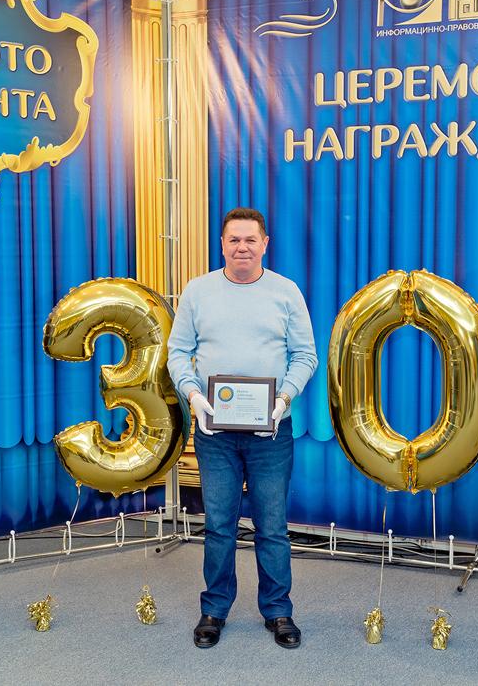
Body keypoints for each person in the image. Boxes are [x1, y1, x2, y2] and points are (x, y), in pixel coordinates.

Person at [167, 207, 317, 649]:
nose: (242, 247)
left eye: (251, 239)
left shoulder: (286, 292)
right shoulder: (198, 291)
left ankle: (278, 610)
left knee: (272, 526)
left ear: (265, 244)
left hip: (272, 433)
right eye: (234, 239)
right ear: (222, 245)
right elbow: (178, 352)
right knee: (219, 526)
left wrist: (283, 399)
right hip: (215, 436)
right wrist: (193, 395)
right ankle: (214, 609)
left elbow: (305, 355)